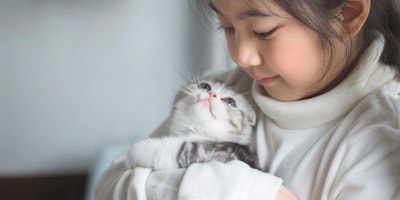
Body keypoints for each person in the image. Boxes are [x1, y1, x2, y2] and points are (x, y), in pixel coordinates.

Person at [95, 0, 400, 199]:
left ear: (348, 13)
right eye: (227, 28)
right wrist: (239, 190)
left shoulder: (382, 137)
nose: (241, 56)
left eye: (263, 31)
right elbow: (109, 186)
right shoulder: (228, 88)